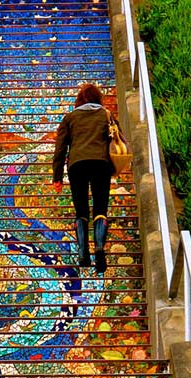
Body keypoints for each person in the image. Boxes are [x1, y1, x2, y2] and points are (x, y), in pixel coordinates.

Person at [52, 83, 114, 274]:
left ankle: (82, 253)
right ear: (98, 99)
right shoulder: (106, 115)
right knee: (100, 208)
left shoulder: (70, 118)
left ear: (79, 100)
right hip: (101, 163)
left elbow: (60, 148)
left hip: (77, 165)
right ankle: (100, 248)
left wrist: (57, 176)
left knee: (81, 210)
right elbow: (118, 139)